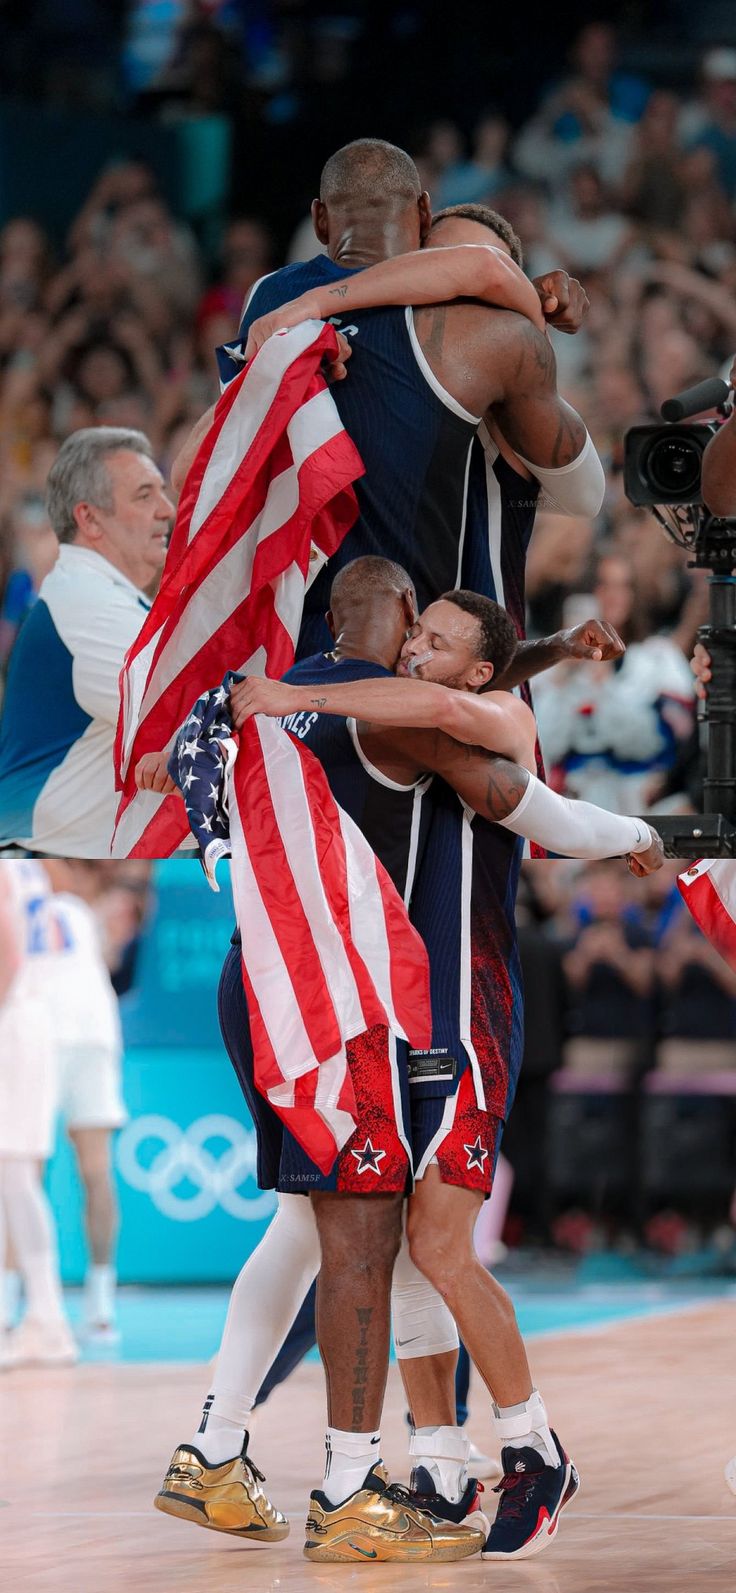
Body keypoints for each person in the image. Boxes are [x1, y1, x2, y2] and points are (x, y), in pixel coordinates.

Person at [153, 557, 662, 1563]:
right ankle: (478, 1455)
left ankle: (359, 1452)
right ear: (381, 620)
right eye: (414, 625)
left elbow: (489, 721)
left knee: (340, 1230)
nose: (419, 641)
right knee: (394, 1237)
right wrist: (641, 830)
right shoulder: (390, 713)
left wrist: (547, 654)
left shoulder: (284, 699)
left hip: (316, 984)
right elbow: (538, 807)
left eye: (437, 636)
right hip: (373, 997)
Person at [0, 427, 174, 857]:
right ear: (90, 518)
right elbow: (180, 720)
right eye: (143, 495)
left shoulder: (97, 596)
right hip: (50, 870)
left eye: (162, 492)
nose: (167, 510)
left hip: (64, 863)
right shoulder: (89, 606)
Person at [41, 860, 127, 1341]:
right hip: (37, 1039)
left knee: (95, 1172)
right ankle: (21, 1295)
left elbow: (114, 957)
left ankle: (100, 1298)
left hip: (91, 1039)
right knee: (22, 1174)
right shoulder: (22, 886)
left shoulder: (97, 897)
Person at [0, 862, 77, 1369]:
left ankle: (49, 1321)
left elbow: (9, 945)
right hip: (31, 1019)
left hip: (13, 1017)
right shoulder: (31, 865)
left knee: (15, 1179)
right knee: (16, 1179)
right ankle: (45, 1318)